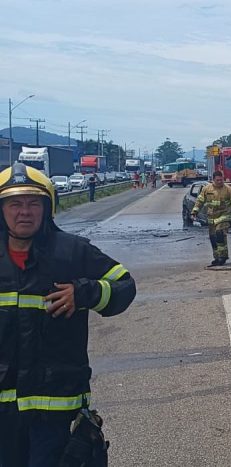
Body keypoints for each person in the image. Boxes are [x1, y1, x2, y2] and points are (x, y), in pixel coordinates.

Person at [0, 163, 136, 466]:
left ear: (47, 207)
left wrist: (85, 292)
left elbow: (125, 286)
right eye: (14, 203)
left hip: (56, 416)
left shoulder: (73, 252)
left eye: (33, 202)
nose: (24, 211)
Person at [192, 171, 231, 267]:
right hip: (212, 218)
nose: (220, 182)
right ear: (213, 180)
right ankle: (217, 257)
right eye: (217, 180)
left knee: (220, 234)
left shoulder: (228, 190)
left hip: (224, 216)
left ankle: (222, 257)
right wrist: (194, 212)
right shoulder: (207, 189)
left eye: (221, 180)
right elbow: (200, 201)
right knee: (213, 238)